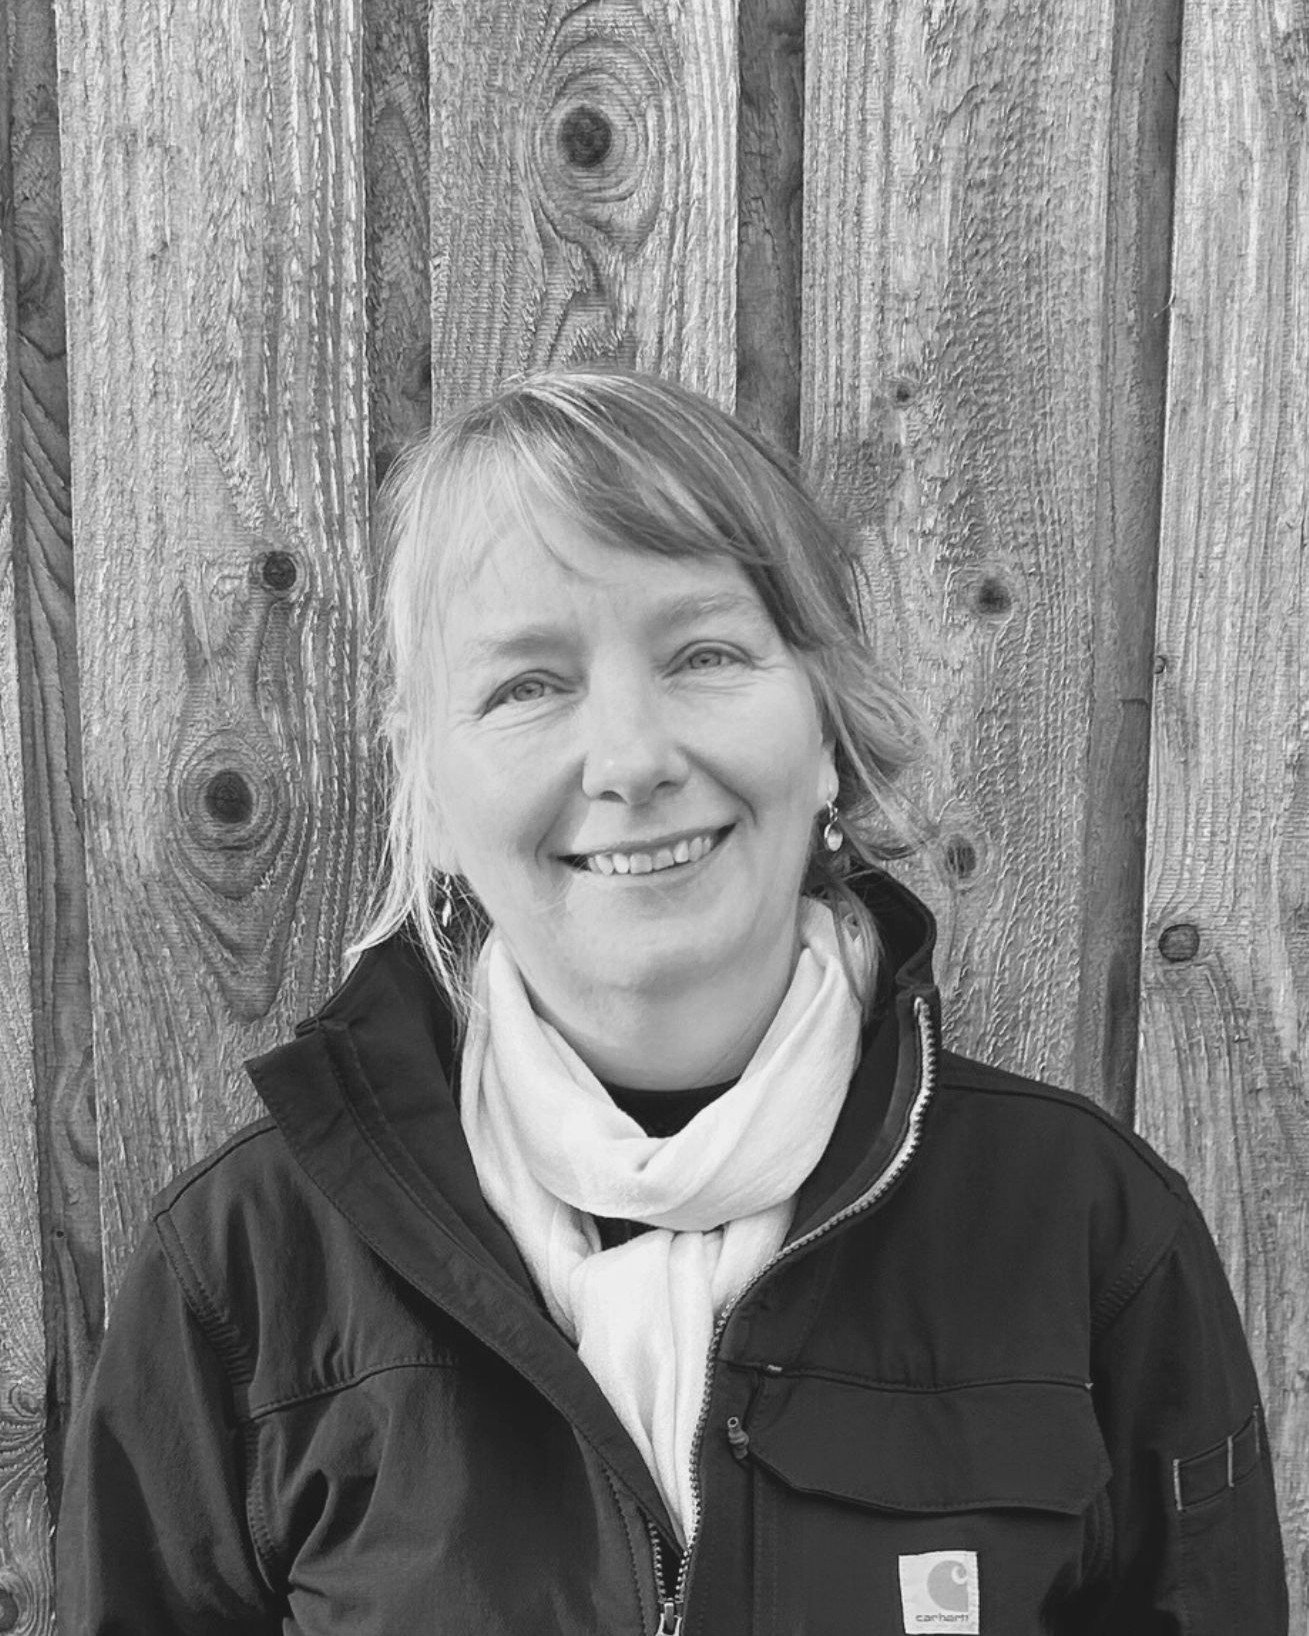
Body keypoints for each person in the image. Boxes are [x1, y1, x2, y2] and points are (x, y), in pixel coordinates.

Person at [57, 367, 1287, 1634]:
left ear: (825, 726)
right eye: (526, 684)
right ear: (423, 779)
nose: (634, 759)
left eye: (703, 652)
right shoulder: (244, 1275)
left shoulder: (1087, 1236)